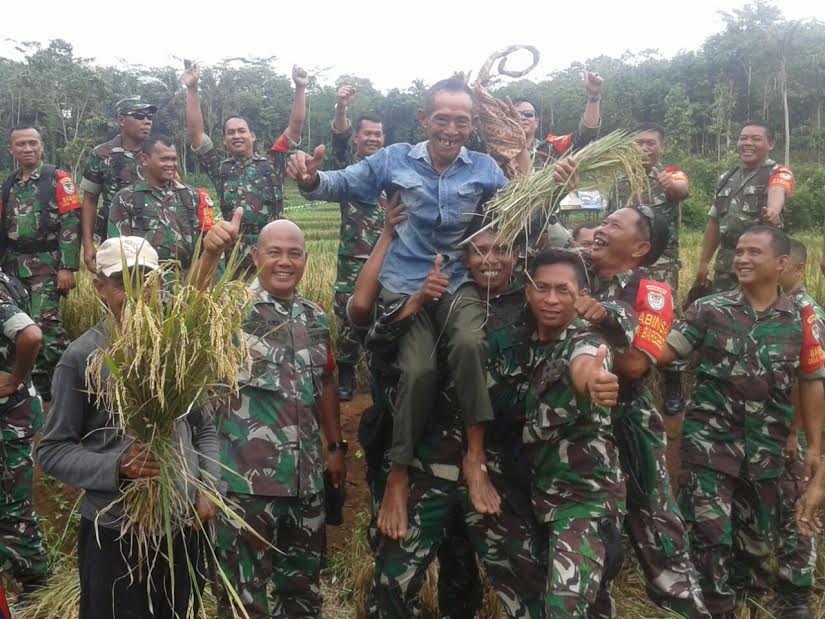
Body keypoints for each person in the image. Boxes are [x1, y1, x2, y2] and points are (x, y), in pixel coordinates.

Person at [287, 77, 516, 538]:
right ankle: (398, 470)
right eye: (442, 119)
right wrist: (312, 180)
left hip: (455, 283)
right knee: (417, 372)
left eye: (462, 121)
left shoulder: (486, 169)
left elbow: (519, 210)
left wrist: (549, 181)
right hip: (403, 284)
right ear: (424, 120)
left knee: (470, 342)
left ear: (472, 125)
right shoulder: (394, 160)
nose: (451, 129)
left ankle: (475, 456)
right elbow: (343, 183)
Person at [353, 220, 547, 618]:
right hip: (427, 461)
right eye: (479, 251)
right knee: (393, 583)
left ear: (518, 255)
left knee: (512, 583)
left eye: (502, 249)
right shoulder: (439, 298)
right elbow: (373, 338)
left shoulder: (531, 307)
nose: (490, 260)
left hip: (494, 469)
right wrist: (418, 300)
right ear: (464, 258)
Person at [37, 236, 220, 619]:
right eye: (124, 282)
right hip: (115, 532)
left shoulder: (178, 348)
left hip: (180, 527)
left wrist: (208, 487)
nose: (139, 293)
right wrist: (117, 465)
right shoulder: (82, 357)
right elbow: (52, 450)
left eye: (148, 280)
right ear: (99, 286)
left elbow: (204, 426)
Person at [660, 226, 825, 618]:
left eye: (755, 252)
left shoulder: (803, 318)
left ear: (782, 263)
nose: (742, 259)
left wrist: (814, 445)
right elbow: (667, 352)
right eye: (739, 251)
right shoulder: (709, 309)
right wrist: (625, 342)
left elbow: (811, 382)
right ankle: (716, 605)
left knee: (773, 527)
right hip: (711, 441)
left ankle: (782, 597)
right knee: (709, 530)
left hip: (772, 440)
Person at [202, 217, 346, 619]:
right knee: (244, 599)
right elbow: (192, 312)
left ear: (305, 258)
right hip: (246, 486)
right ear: (254, 257)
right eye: (274, 253)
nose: (285, 262)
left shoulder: (314, 317)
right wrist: (211, 254)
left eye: (294, 253)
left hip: (306, 486)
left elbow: (327, 381)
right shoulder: (228, 310)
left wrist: (336, 448)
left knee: (302, 593)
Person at [585, 206, 710, 618]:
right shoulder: (573, 271)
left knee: (654, 522)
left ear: (640, 247)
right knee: (590, 527)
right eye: (602, 222)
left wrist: (577, 351)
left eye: (613, 225)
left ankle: (685, 605)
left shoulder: (651, 293)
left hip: (627, 419)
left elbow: (638, 364)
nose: (601, 229)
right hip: (574, 424)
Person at [522, 249, 624, 618]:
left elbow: (586, 366)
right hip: (540, 498)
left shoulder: (585, 340)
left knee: (564, 610)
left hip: (585, 501)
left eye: (563, 290)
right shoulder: (522, 345)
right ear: (527, 292)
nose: (550, 299)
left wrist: (595, 382)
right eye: (542, 288)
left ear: (581, 295)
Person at [182, 61, 307, 271]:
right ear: (224, 140)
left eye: (241, 131)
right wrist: (192, 88)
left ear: (252, 136)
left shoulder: (273, 162)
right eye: (230, 132)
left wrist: (301, 88)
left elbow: (294, 129)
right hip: (234, 257)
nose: (236, 135)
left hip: (272, 250)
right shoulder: (220, 169)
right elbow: (197, 135)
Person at [606, 122, 690, 418]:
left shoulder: (670, 175)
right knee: (626, 313)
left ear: (661, 147)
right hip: (626, 263)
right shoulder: (619, 181)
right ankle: (630, 378)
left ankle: (673, 385)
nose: (644, 149)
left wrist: (672, 186)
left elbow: (682, 188)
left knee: (667, 321)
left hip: (661, 264)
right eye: (639, 143)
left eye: (650, 143)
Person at [0, 124, 80, 401]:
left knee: (47, 329)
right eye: (21, 144)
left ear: (42, 145)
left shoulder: (57, 179)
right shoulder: (9, 184)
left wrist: (68, 267)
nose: (27, 149)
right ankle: (36, 392)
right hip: (13, 266)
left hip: (46, 265)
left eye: (33, 143)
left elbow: (70, 224)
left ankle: (70, 392)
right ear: (11, 150)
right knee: (19, 328)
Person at [329, 84, 386, 400]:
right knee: (350, 318)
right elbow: (337, 143)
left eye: (378, 134)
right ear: (357, 138)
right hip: (355, 258)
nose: (374, 139)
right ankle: (346, 375)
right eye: (368, 134)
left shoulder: (394, 172)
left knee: (386, 320)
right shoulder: (349, 172)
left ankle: (380, 376)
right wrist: (341, 109)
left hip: (390, 261)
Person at [695, 122, 794, 293]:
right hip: (725, 268)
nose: (747, 143)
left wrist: (773, 211)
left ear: (770, 144)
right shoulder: (726, 177)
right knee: (722, 316)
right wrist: (704, 263)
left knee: (756, 315)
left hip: (758, 268)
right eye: (743, 138)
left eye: (756, 139)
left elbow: (778, 189)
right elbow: (714, 223)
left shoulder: (778, 172)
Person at [0, 266, 47, 597]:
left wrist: (15, 378)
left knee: (13, 510)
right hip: (13, 413)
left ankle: (35, 588)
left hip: (9, 419)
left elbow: (30, 335)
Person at [107, 136, 222, 270]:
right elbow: (118, 251)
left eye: (173, 159)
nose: (170, 164)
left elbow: (210, 244)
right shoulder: (125, 199)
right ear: (145, 160)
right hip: (146, 283)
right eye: (164, 159)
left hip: (189, 284)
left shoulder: (193, 197)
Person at [80, 96, 156, 270]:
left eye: (149, 118)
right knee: (117, 291)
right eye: (139, 116)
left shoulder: (158, 152)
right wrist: (88, 243)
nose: (146, 121)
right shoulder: (101, 154)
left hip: (154, 236)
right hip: (115, 239)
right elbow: (90, 200)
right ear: (121, 120)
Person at [513, 71, 603, 167]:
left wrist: (593, 97)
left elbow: (585, 136)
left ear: (536, 122)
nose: (522, 118)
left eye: (528, 114)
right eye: (516, 115)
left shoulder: (549, 148)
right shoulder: (498, 153)